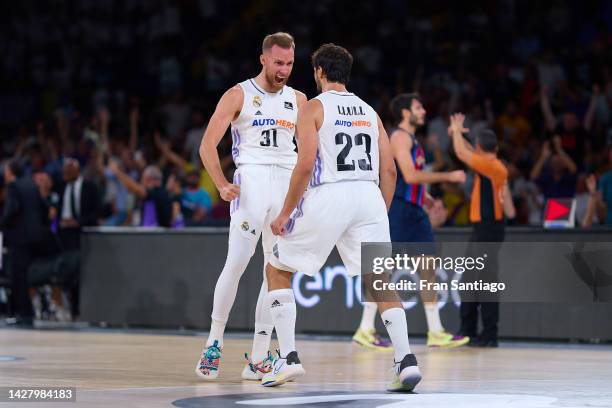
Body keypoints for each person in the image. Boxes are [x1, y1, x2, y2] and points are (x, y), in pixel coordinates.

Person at [261, 43, 421, 392]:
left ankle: (287, 358)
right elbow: (390, 170)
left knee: (277, 268)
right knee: (379, 280)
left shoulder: (313, 107)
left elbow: (305, 165)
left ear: (319, 72)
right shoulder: (369, 110)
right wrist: (379, 209)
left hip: (330, 192)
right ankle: (406, 360)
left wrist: (286, 212)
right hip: (368, 195)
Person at [195, 32, 307, 381]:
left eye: (289, 63)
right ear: (263, 59)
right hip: (252, 182)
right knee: (238, 263)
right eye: (278, 62)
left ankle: (259, 355)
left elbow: (309, 153)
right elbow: (207, 146)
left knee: (276, 270)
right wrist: (222, 185)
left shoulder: (300, 99)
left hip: (286, 186)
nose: (283, 70)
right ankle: (214, 343)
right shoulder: (238, 94)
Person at [380, 93, 468, 348]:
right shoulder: (398, 136)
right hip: (399, 209)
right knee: (381, 270)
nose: (423, 111)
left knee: (428, 268)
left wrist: (426, 197)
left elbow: (413, 180)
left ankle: (436, 331)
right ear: (406, 113)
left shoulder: (411, 138)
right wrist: (449, 176)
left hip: (416, 210)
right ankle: (364, 330)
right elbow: (409, 175)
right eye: (418, 107)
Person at [449, 114, 509, 347]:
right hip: (483, 230)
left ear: (480, 148)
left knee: (484, 282)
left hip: (488, 230)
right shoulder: (491, 165)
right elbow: (469, 152)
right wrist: (459, 136)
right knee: (471, 280)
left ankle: (488, 333)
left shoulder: (492, 168)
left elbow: (463, 154)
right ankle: (469, 331)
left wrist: (455, 132)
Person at [1, 159, 48, 324]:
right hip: (35, 237)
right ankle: (26, 312)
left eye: (5, 171)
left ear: (11, 172)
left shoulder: (13, 186)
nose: (4, 174)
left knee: (18, 276)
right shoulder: (31, 184)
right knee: (25, 275)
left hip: (19, 237)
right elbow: (44, 208)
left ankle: (23, 313)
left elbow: (12, 210)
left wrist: (2, 224)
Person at [108, 162, 173, 228]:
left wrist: (117, 172)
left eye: (143, 179)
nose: (141, 183)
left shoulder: (159, 192)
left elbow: (138, 190)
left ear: (150, 179)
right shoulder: (151, 196)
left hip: (158, 235)